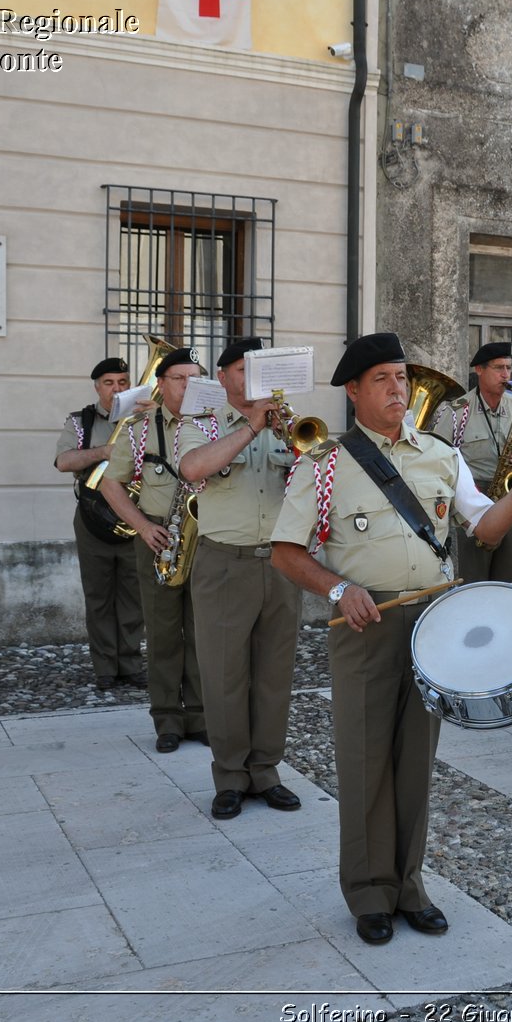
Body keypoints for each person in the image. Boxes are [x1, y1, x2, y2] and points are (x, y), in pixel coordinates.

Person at [271, 333, 512, 946]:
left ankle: (409, 885)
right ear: (353, 391)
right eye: (381, 378)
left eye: (401, 377)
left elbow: (483, 527)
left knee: (415, 764)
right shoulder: (323, 462)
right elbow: (286, 551)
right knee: (365, 760)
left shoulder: (438, 453)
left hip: (433, 627)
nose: (397, 388)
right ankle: (369, 890)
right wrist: (334, 591)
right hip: (365, 624)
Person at [177, 338, 303, 820]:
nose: (254, 378)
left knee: (274, 676)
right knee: (225, 675)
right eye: (244, 370)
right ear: (225, 376)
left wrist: (296, 441)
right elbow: (192, 468)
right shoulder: (200, 423)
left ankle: (266, 771)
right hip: (223, 563)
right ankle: (230, 776)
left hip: (280, 562)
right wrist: (253, 426)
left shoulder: (288, 423)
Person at [98, 347, 209, 753]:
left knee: (202, 632)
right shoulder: (138, 427)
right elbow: (111, 483)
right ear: (161, 384)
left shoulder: (215, 425)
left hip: (205, 537)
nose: (188, 385)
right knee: (164, 634)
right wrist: (143, 526)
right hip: (159, 536)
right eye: (180, 378)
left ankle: (198, 715)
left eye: (195, 378)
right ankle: (167, 718)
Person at [54, 357, 146, 691]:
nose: (117, 389)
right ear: (97, 387)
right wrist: (105, 451)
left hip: (136, 517)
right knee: (99, 595)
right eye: (109, 383)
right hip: (95, 516)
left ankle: (131, 663)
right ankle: (105, 666)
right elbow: (64, 461)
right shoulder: (83, 421)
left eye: (123, 382)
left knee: (134, 595)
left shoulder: (143, 419)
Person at [433, 341, 512, 584]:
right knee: (474, 575)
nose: (506, 375)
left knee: (509, 575)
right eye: (499, 368)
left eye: (509, 368)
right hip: (473, 498)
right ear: (479, 370)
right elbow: (437, 459)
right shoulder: (456, 412)